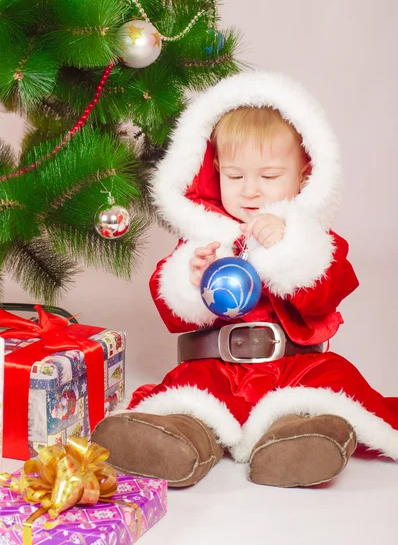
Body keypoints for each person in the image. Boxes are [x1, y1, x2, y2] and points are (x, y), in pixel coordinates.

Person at [93, 72, 398, 488]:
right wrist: (193, 279)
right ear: (213, 170)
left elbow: (326, 294)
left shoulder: (312, 239)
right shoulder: (205, 239)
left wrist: (286, 250)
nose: (250, 191)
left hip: (293, 366)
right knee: (190, 395)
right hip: (217, 366)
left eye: (269, 177)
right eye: (234, 177)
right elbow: (174, 316)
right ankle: (177, 440)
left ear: (305, 176)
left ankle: (296, 441)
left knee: (327, 388)